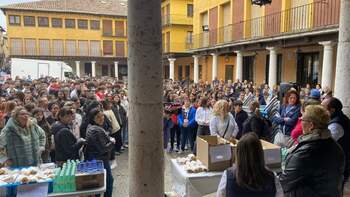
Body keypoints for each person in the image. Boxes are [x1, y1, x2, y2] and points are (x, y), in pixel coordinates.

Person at [279, 105, 345, 197]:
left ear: (311, 125)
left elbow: (285, 182)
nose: (300, 120)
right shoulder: (335, 146)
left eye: (302, 119)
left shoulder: (306, 152)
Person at [216, 132, 283, 197]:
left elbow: (220, 195)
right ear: (260, 153)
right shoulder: (271, 177)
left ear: (238, 154)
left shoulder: (228, 176)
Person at [84, 108, 114, 197]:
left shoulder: (92, 127)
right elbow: (103, 148)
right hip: (100, 159)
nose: (101, 118)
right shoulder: (95, 129)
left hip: (96, 158)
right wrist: (112, 143)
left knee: (98, 182)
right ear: (93, 118)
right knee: (107, 181)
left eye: (102, 116)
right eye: (98, 117)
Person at [323, 97, 350, 189]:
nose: (321, 110)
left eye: (323, 108)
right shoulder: (338, 118)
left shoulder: (336, 124)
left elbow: (324, 143)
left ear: (332, 110)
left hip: (338, 166)